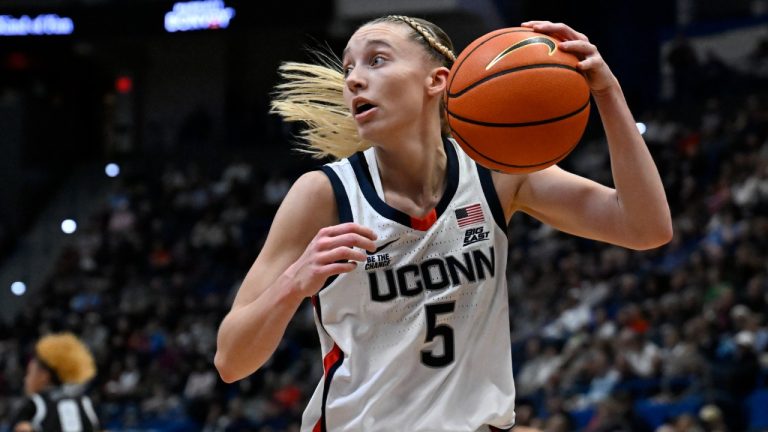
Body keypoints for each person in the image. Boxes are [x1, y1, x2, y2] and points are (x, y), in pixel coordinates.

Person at [215, 15, 672, 432]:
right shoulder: (325, 194)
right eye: (349, 68)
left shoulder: (498, 173)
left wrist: (608, 93)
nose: (353, 78)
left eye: (376, 60)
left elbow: (645, 227)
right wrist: (294, 282)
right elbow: (231, 360)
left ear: (437, 80)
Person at [11, 332, 100, 432]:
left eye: (29, 373)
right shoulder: (84, 402)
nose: (25, 379)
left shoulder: (36, 403)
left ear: (43, 376)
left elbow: (22, 428)